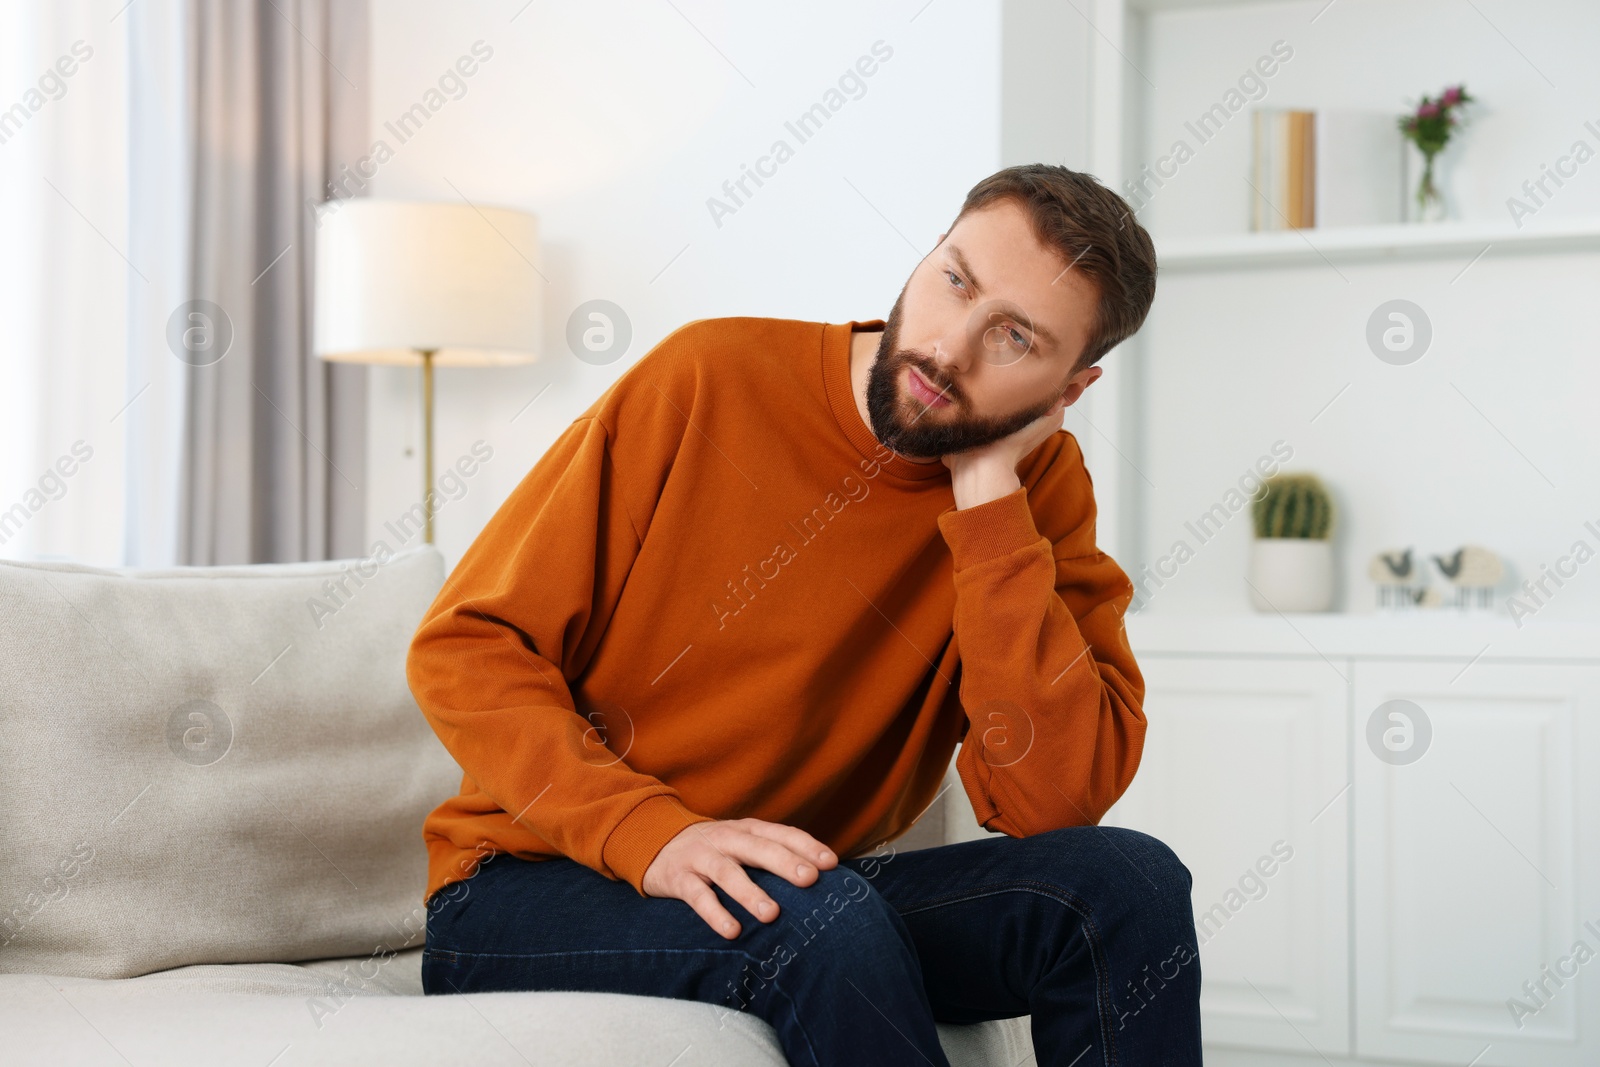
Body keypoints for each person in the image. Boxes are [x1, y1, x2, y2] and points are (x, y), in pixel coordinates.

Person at [407, 163, 1201, 1066]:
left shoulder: (1034, 492)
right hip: (529, 885)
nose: (950, 350)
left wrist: (985, 501)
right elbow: (465, 645)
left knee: (1126, 885)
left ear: (1070, 390)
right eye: (955, 281)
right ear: (925, 258)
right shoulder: (708, 377)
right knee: (818, 922)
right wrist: (649, 831)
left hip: (800, 884)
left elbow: (1053, 799)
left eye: (1014, 338)